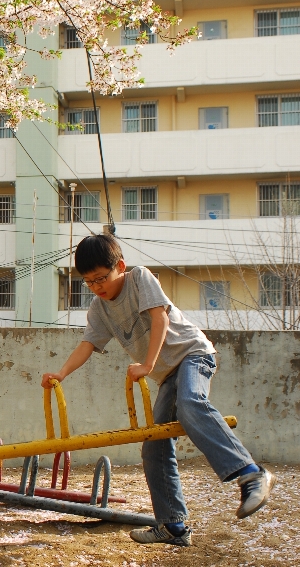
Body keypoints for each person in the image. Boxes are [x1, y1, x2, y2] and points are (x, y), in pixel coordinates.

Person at [41, 234, 275, 547]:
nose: (97, 287)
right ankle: (173, 526)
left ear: (120, 267)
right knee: (154, 445)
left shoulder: (139, 279)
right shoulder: (99, 307)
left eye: (101, 278)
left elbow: (159, 317)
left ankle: (250, 473)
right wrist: (62, 373)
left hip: (192, 355)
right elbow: (88, 344)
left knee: (191, 404)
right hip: (168, 375)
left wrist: (148, 364)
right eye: (88, 282)